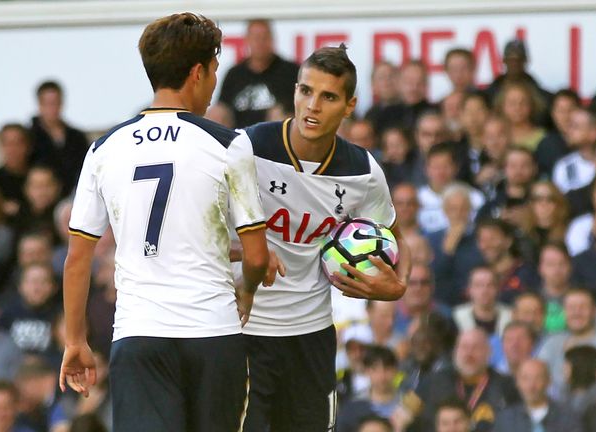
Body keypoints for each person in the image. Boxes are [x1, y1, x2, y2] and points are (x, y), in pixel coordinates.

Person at [59, 13, 269, 432]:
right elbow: (257, 256)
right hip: (213, 333)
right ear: (197, 72)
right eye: (213, 72)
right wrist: (245, 290)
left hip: (140, 336)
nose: (213, 84)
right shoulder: (228, 144)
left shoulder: (104, 148)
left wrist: (75, 341)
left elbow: (78, 260)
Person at [237, 44, 411, 431]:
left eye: (328, 96)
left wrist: (398, 286)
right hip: (244, 329)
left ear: (350, 105)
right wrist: (244, 249)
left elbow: (395, 236)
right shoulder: (248, 147)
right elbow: (200, 226)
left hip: (312, 335)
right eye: (305, 91)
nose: (312, 105)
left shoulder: (363, 171)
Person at [216, 18, 299, 128]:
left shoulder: (290, 71)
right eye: (256, 38)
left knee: (279, 115)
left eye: (264, 37)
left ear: (272, 39)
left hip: (274, 135)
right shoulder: (234, 74)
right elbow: (222, 108)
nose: (260, 42)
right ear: (247, 40)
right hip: (238, 135)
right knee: (216, 112)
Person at [537, 289, 596, 398]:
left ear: (594, 311)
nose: (577, 312)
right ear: (564, 312)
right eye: (571, 307)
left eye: (583, 307)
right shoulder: (551, 342)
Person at [29, 80, 90, 195]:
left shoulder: (77, 137)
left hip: (73, 195)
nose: (52, 108)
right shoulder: (30, 137)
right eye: (48, 103)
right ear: (40, 104)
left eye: (56, 102)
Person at [493, 358, 581, 432]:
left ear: (548, 381)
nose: (531, 386)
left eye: (538, 378)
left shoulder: (567, 417)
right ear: (517, 382)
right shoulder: (505, 419)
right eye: (525, 379)